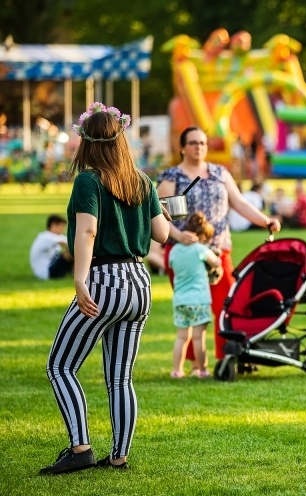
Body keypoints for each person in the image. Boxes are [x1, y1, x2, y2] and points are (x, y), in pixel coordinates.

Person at [40, 102, 170, 474]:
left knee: (60, 366)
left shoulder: (88, 181)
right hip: (139, 283)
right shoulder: (142, 181)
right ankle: (119, 456)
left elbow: (87, 231)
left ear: (86, 141)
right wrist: (157, 210)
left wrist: (79, 279)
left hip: (104, 280)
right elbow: (162, 234)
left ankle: (80, 447)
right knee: (120, 377)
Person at [157, 127, 281, 364]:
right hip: (185, 254)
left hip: (217, 252)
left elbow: (240, 203)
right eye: (193, 143)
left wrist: (266, 221)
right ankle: (196, 364)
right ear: (182, 148)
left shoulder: (219, 173)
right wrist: (179, 235)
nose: (199, 147)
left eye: (202, 143)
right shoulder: (171, 177)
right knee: (192, 308)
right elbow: (159, 215)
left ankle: (227, 357)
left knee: (227, 306)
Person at [169, 212, 221, 378]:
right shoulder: (200, 249)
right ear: (202, 236)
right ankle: (203, 370)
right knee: (198, 338)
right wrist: (214, 253)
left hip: (180, 301)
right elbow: (217, 262)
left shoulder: (174, 250)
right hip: (199, 300)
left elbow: (171, 265)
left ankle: (177, 370)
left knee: (181, 337)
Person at [29, 214, 73, 280]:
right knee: (72, 251)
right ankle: (77, 274)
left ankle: (77, 274)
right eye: (62, 226)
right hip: (46, 272)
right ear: (54, 225)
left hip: (52, 267)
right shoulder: (46, 236)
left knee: (75, 250)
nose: (63, 229)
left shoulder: (57, 236)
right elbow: (70, 245)